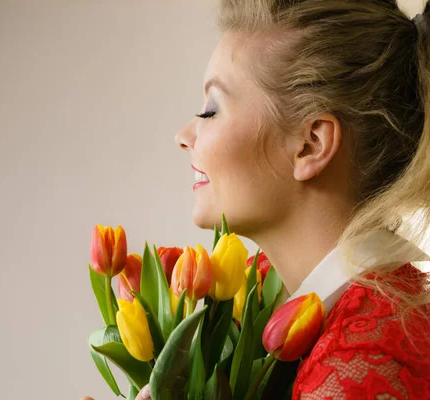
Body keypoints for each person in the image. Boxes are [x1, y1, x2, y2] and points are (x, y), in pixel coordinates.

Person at [84, 0, 430, 398]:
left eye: (211, 110)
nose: (184, 135)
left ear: (310, 144)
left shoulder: (367, 359)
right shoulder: (262, 290)